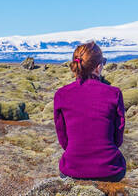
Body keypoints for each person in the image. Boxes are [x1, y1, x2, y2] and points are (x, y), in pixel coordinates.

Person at [53, 41, 126, 182]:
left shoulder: (61, 94)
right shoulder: (114, 93)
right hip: (110, 169)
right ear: (98, 67)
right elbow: (118, 138)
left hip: (72, 168)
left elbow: (64, 140)